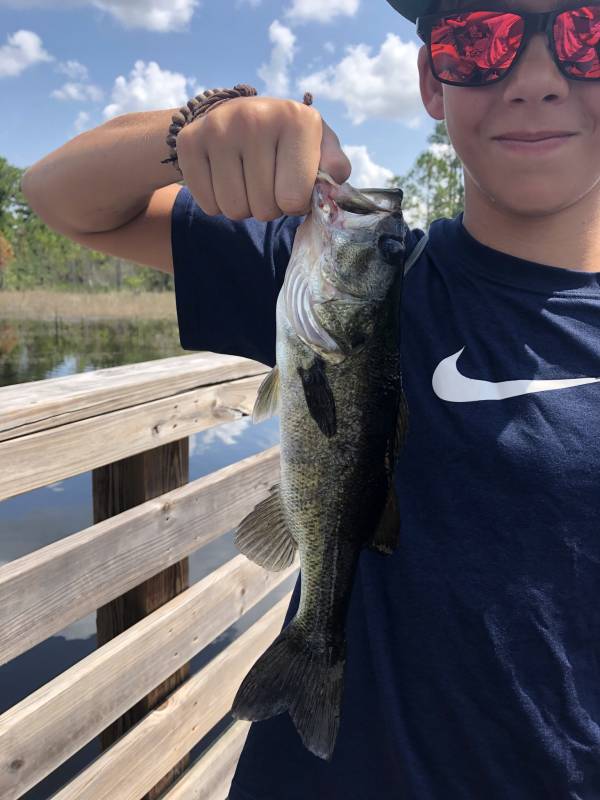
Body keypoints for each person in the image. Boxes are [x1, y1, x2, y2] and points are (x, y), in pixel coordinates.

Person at [19, 0, 600, 795]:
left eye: (586, 34)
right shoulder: (360, 279)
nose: (536, 78)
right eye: (480, 39)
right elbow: (58, 196)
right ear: (432, 81)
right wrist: (196, 128)